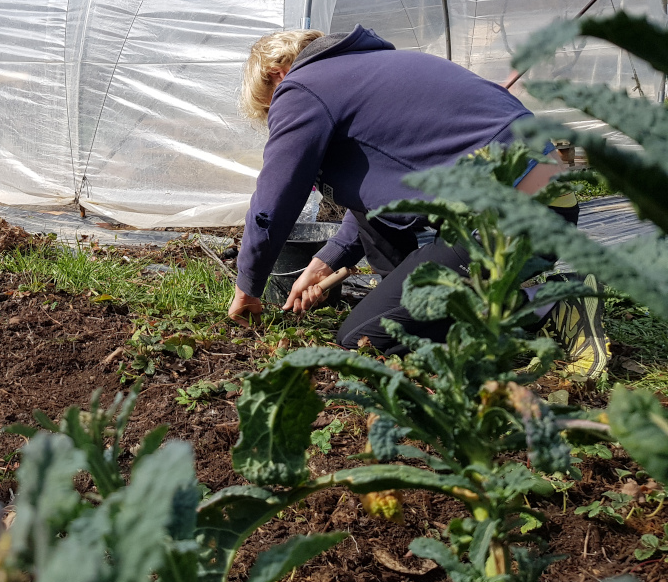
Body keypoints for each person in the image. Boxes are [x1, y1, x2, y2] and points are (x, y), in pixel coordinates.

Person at [227, 25, 610, 377]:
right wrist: (325, 262)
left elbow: (274, 200)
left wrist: (248, 287)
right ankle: (428, 309)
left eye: (270, 109)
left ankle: (551, 303)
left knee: (363, 338)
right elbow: (375, 201)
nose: (277, 119)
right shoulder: (365, 71)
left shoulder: (301, 87)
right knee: (393, 306)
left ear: (277, 74)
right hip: (549, 210)